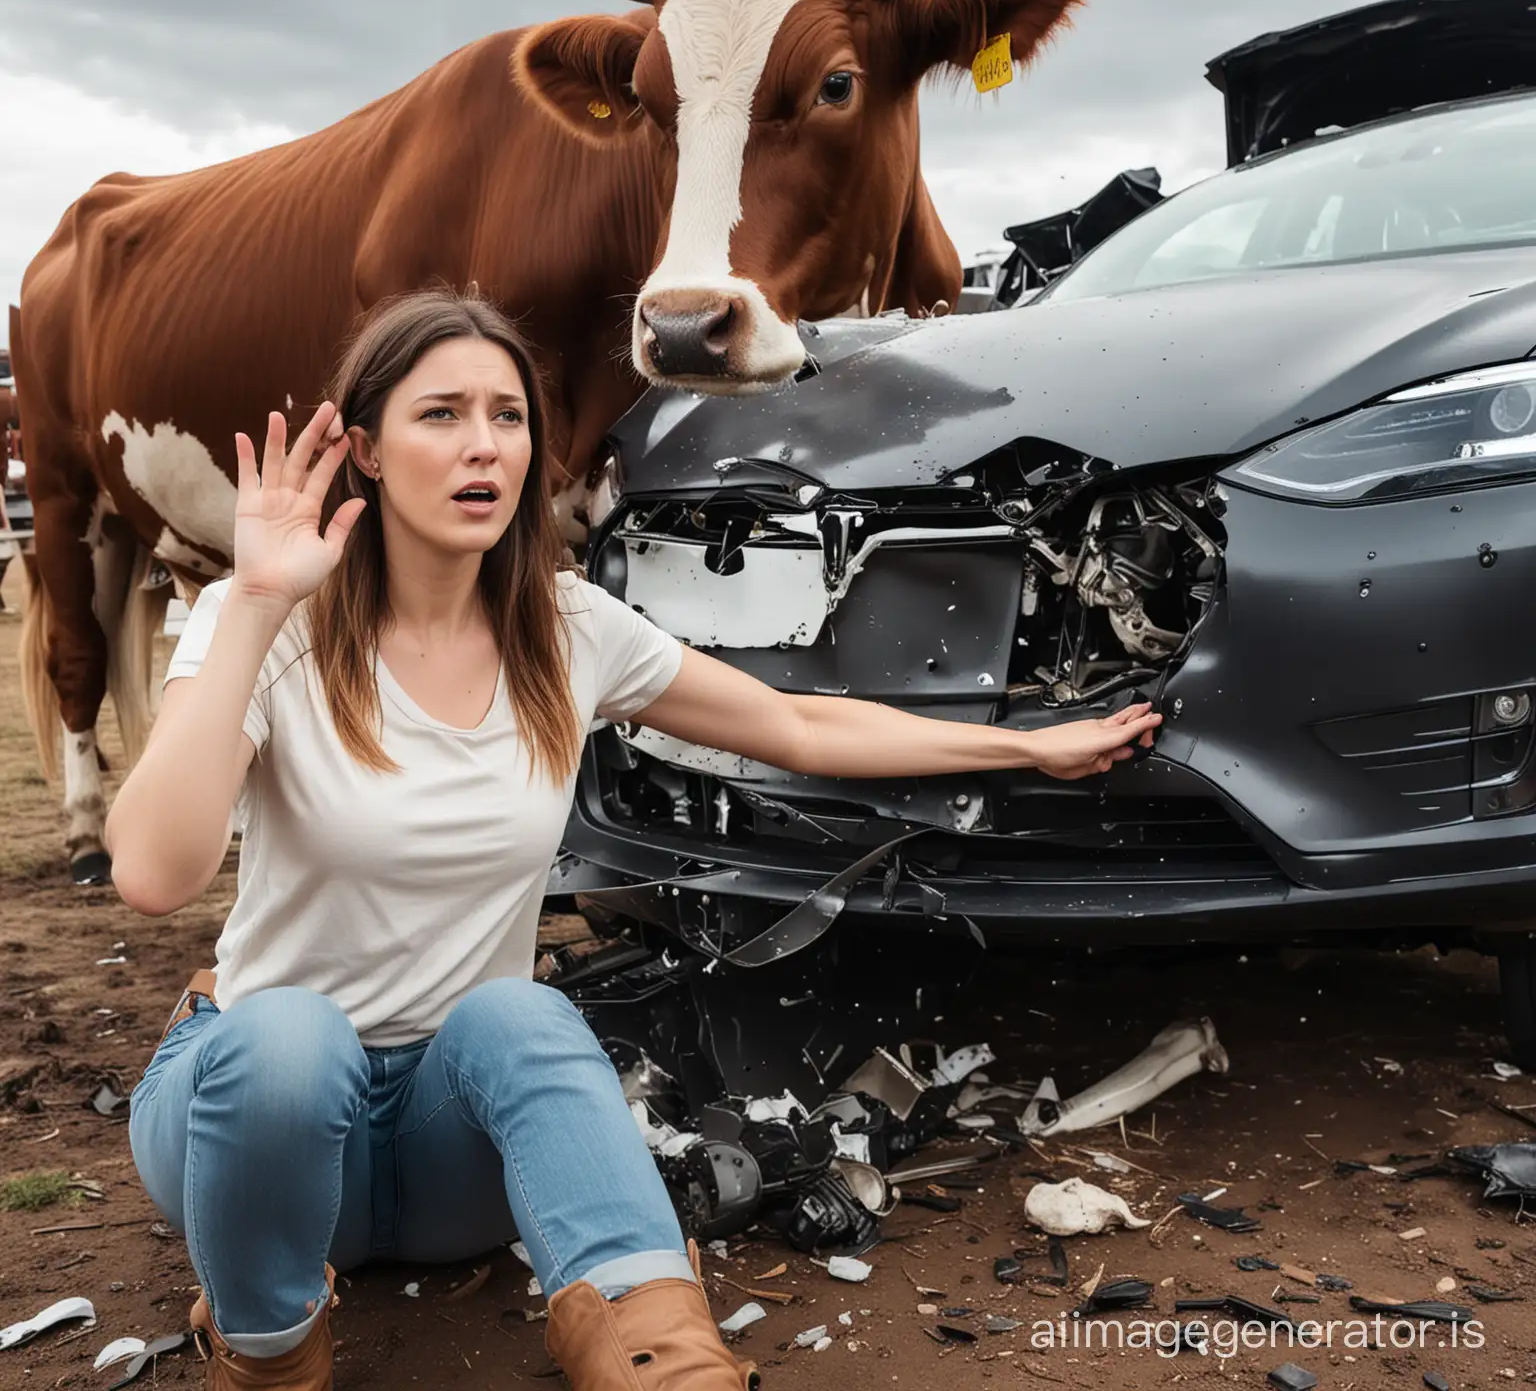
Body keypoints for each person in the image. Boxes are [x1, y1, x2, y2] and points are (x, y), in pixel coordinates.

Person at [106, 288, 1160, 1391]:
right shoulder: (269, 624)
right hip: (255, 1135)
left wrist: (1026, 749)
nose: (483, 447)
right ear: (363, 448)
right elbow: (151, 872)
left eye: (508, 417)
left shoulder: (565, 632)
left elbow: (794, 724)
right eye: (441, 415)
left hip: (442, 1149)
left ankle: (665, 1365)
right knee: (288, 1039)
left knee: (523, 1015)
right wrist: (262, 601)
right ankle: (267, 1354)